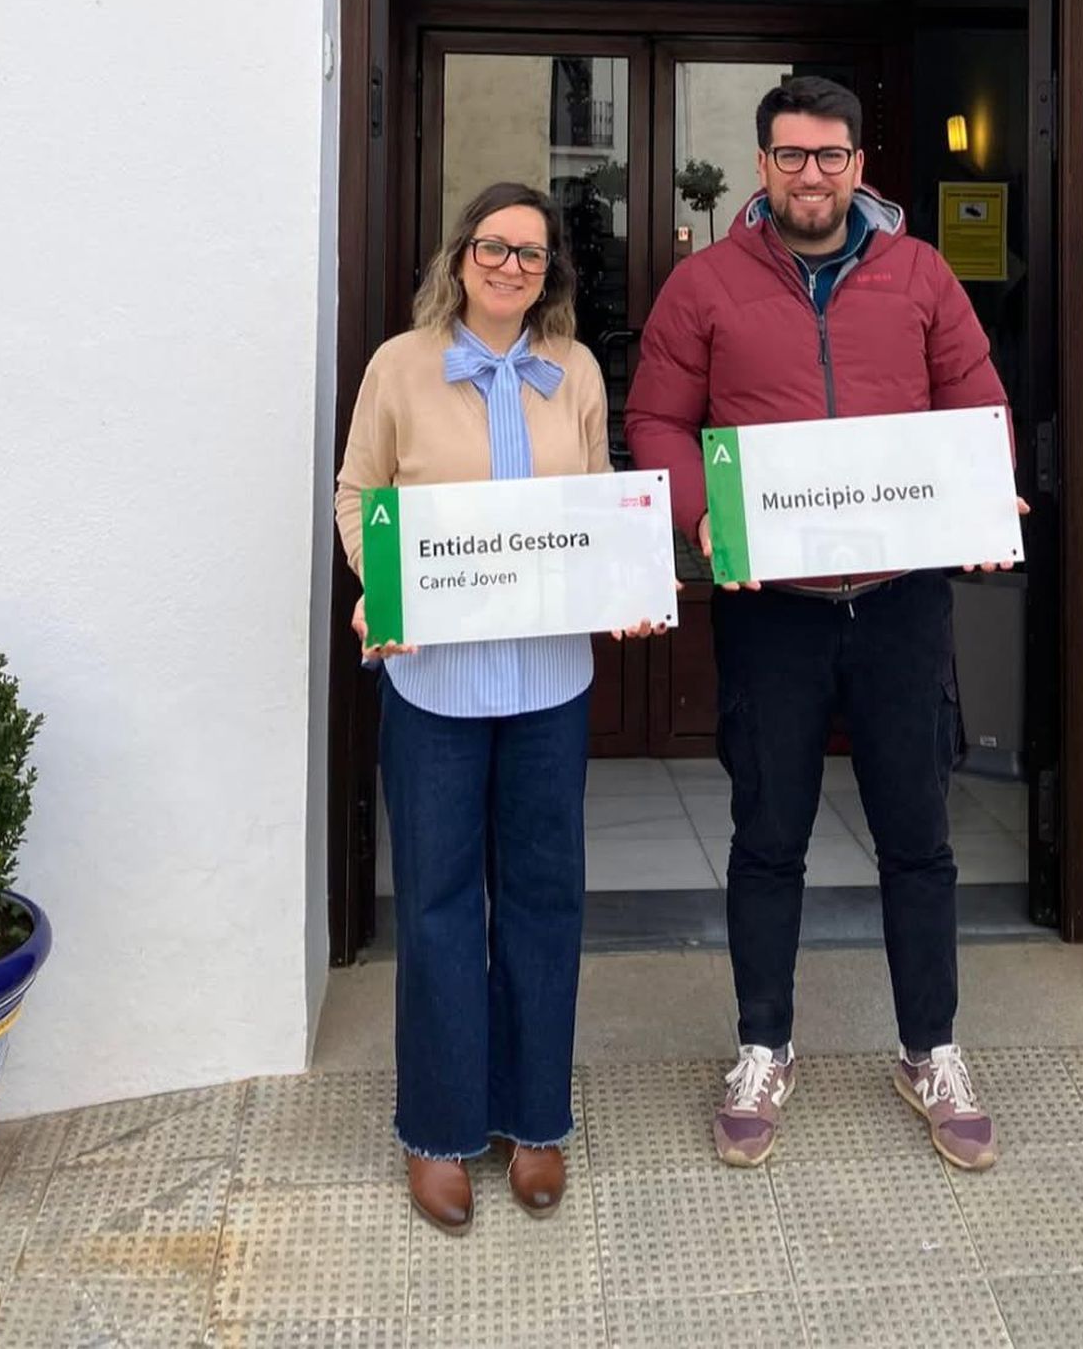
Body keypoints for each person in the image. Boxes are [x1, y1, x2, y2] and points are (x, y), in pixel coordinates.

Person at [627, 76, 1023, 1176]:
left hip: (899, 603)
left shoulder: (919, 273)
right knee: (767, 837)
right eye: (792, 154)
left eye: (831, 154)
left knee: (919, 836)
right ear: (761, 165)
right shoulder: (703, 284)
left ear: (859, 162)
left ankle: (930, 1046)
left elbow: (973, 401)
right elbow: (656, 416)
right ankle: (762, 1045)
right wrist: (703, 519)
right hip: (774, 615)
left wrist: (988, 506)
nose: (813, 172)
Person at [337, 181, 661, 1235]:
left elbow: (598, 491)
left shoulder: (572, 370)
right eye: (493, 246)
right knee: (434, 906)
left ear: (549, 269)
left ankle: (534, 1118)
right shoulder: (400, 363)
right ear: (461, 255)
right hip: (434, 685)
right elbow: (359, 493)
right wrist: (379, 588)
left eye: (530, 252)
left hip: (547, 685)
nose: (510, 265)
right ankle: (437, 1128)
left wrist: (625, 585)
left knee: (542, 900)